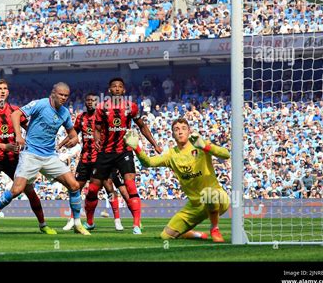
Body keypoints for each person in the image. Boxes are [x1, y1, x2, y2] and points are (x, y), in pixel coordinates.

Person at [0, 82, 91, 235]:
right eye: (61, 94)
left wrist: (73, 140)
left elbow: (73, 134)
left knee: (74, 185)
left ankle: (77, 223)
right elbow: (15, 114)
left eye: (66, 95)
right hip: (31, 154)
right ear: (53, 93)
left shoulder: (64, 113)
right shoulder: (40, 104)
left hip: (50, 156)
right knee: (17, 190)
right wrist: (18, 135)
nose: (63, 98)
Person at [0, 79, 56, 235]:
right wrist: (3, 146)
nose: (2, 91)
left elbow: (30, 128)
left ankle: (43, 225)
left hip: (14, 159)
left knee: (30, 192)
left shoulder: (15, 111)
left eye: (5, 88)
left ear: (8, 92)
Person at [124, 118, 230, 242]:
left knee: (209, 194)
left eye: (184, 129)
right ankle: (195, 234)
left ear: (189, 131)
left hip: (218, 199)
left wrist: (206, 146)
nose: (180, 132)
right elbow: (148, 162)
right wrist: (136, 148)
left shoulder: (199, 144)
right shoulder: (171, 155)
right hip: (195, 206)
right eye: (176, 129)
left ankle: (214, 229)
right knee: (166, 236)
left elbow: (226, 154)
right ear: (173, 134)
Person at [84, 77, 162, 234]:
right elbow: (97, 128)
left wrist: (154, 144)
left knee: (130, 185)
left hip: (124, 152)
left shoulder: (131, 107)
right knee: (92, 189)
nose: (117, 88)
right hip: (105, 152)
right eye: (114, 86)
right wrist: (97, 140)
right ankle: (90, 222)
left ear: (124, 90)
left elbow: (142, 126)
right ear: (109, 90)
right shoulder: (101, 108)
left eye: (120, 86)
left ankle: (136, 225)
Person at [61, 93, 125, 232]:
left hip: (101, 159)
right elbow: (73, 134)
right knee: (75, 188)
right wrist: (60, 144)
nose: (90, 102)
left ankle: (117, 220)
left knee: (109, 187)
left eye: (93, 100)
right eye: (88, 100)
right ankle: (73, 219)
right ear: (85, 102)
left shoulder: (104, 116)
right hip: (85, 159)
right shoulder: (81, 118)